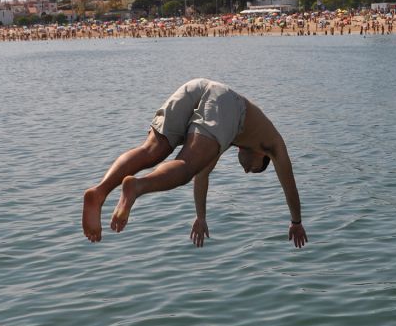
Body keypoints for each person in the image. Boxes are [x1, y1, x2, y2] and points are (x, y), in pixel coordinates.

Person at [81, 78, 307, 248]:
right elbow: (289, 184)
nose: (247, 170)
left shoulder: (226, 138)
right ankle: (137, 186)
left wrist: (201, 217)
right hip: (227, 103)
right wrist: (296, 221)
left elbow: (202, 175)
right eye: (255, 168)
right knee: (186, 165)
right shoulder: (273, 145)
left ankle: (99, 192)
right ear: (262, 155)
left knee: (152, 150)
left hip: (198, 86)